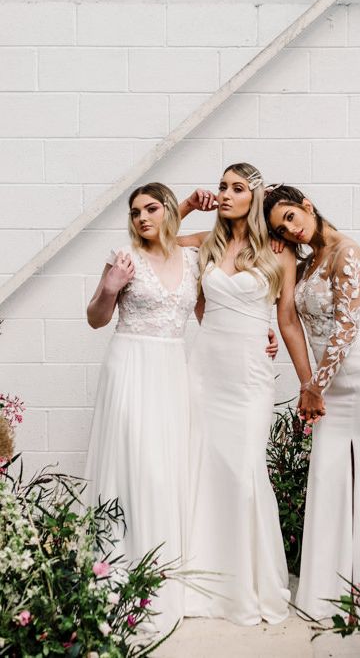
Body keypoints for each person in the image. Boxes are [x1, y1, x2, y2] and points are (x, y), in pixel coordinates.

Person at [264, 185, 360, 620]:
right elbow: (291, 317)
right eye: (281, 228)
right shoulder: (306, 260)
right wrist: (311, 382)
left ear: (308, 206)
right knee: (329, 471)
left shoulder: (347, 251)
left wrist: (314, 386)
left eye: (291, 217)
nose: (290, 230)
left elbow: (347, 325)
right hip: (328, 381)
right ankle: (328, 591)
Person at [180, 163, 323, 625]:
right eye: (221, 186)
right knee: (204, 469)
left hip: (249, 377)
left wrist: (309, 383)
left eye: (236, 188)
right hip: (205, 370)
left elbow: (287, 321)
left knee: (243, 472)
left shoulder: (279, 251)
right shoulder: (208, 243)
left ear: (254, 198)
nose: (224, 194)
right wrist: (184, 207)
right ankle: (204, 581)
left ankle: (248, 584)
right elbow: (156, 242)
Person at [85, 183, 198, 634]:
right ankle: (119, 571)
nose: (141, 218)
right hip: (130, 364)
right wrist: (109, 289)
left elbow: (210, 307)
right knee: (137, 465)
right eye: (135, 212)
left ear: (168, 211)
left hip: (172, 368)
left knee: (168, 466)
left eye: (151, 209)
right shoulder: (123, 258)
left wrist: (254, 339)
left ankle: (165, 571)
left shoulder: (191, 257)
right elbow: (95, 318)